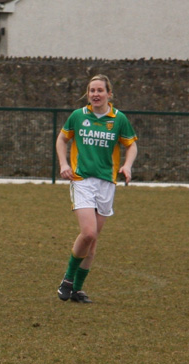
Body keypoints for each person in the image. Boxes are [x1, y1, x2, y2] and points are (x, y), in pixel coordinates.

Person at [55, 74, 138, 303]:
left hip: (107, 183)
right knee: (88, 232)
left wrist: (127, 166)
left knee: (92, 242)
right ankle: (68, 279)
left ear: (109, 94)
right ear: (87, 93)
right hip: (82, 180)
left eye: (100, 90)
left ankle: (77, 290)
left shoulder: (118, 119)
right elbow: (62, 140)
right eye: (92, 90)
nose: (95, 94)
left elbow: (131, 146)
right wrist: (63, 164)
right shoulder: (78, 116)